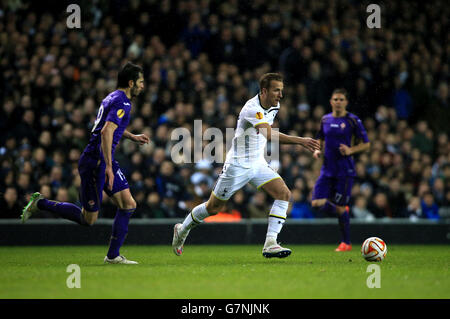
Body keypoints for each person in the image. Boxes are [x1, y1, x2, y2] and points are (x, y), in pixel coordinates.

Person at [172, 73, 320, 258]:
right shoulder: (251, 108)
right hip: (237, 165)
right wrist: (301, 141)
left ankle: (270, 243)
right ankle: (182, 229)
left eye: (281, 90)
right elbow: (268, 134)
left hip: (257, 163)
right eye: (276, 90)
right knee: (213, 208)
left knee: (284, 193)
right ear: (264, 91)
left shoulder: (275, 106)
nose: (280, 95)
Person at [21, 62, 150, 264]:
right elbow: (107, 131)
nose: (143, 86)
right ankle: (40, 203)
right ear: (131, 82)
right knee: (88, 219)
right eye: (141, 82)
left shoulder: (113, 97)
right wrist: (108, 167)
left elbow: (108, 127)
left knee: (128, 204)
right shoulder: (122, 102)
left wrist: (131, 136)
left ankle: (113, 256)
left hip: (103, 158)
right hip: (95, 162)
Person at [311, 88, 370, 251]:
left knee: (338, 207)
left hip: (345, 170)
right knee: (316, 203)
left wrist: (351, 150)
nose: (338, 102)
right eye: (335, 99)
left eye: (341, 99)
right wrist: (317, 149)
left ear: (346, 102)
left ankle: (346, 243)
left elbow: (366, 144)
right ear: (331, 102)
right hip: (327, 169)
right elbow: (320, 137)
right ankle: (343, 210)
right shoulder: (325, 119)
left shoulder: (353, 120)